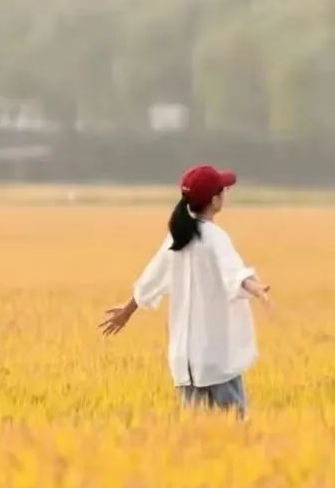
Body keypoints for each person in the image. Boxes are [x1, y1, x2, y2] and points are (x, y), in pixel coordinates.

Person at [99, 165, 270, 417]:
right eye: (223, 190)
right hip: (216, 358)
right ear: (214, 200)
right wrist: (257, 288)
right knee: (236, 432)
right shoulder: (215, 237)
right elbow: (235, 273)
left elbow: (151, 279)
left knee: (195, 434)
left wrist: (127, 311)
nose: (226, 193)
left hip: (184, 361)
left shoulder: (177, 237)